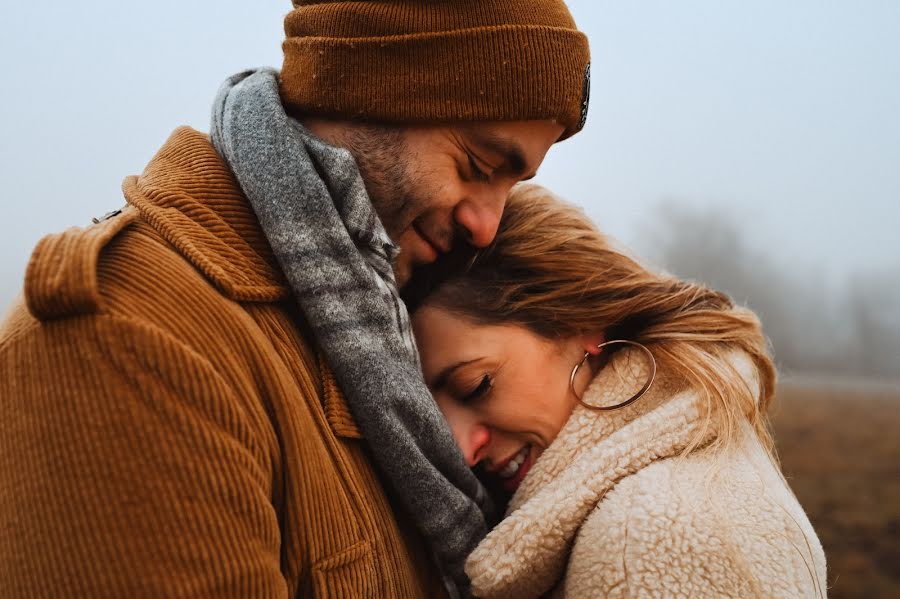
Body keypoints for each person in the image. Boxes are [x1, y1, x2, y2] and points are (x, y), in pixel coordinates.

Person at [0, 3, 590, 597]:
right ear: (372, 87)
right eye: (478, 166)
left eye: (513, 187)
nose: (488, 226)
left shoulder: (368, 328)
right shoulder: (123, 341)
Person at [411, 184, 827, 598]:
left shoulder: (651, 543)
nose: (463, 452)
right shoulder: (682, 469)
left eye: (477, 386)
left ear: (576, 321)